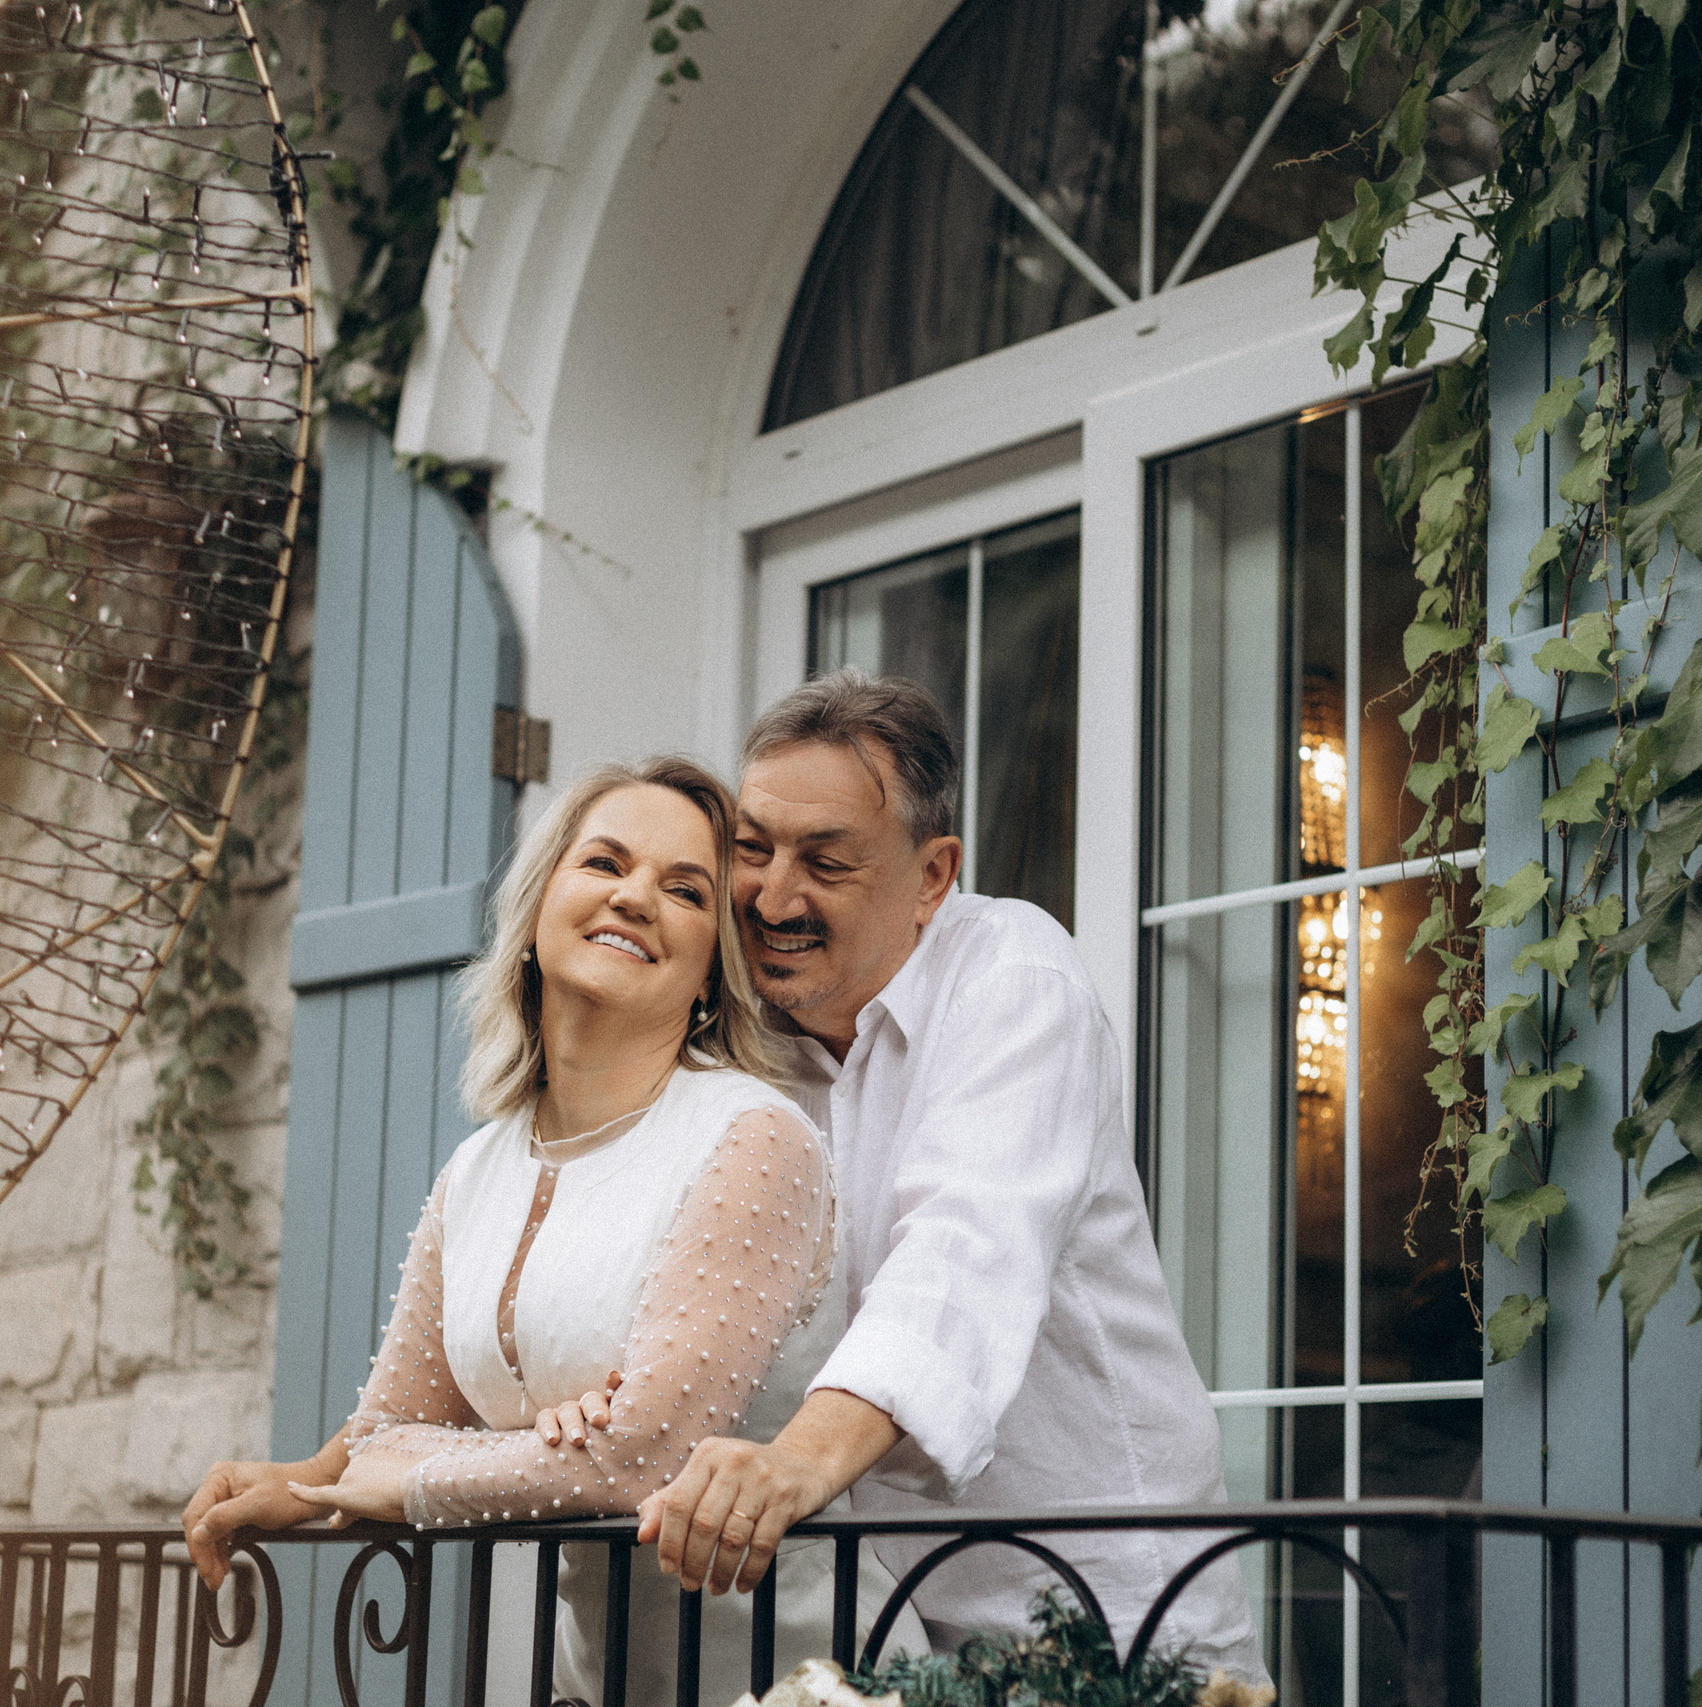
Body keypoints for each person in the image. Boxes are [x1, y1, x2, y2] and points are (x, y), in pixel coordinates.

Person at [546, 671, 1264, 1678]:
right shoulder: (739, 1059)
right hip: (892, 1641)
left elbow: (962, 1258)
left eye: (825, 863)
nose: (772, 896)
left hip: (1114, 1620)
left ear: (933, 878)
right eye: (751, 849)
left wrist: (792, 1465)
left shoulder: (1014, 980)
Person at [181, 756, 916, 1707]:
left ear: (709, 974)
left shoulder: (752, 1137)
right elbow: (384, 1434)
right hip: (593, 1686)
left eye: (686, 889)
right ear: (536, 913)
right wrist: (302, 1482)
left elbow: (641, 1456)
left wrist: (403, 1476)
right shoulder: (475, 1173)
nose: (638, 896)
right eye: (605, 863)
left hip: (803, 1682)